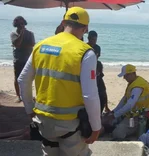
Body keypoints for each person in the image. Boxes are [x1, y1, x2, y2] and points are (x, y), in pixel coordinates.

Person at [18, 7, 101, 156]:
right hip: (70, 124)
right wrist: (96, 127)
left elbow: (23, 79)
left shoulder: (41, 45)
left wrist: (29, 109)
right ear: (86, 28)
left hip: (43, 120)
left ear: (63, 23)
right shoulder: (86, 53)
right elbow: (90, 95)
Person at [109, 64, 149, 140]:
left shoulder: (137, 86)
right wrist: (114, 112)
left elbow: (130, 105)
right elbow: (124, 99)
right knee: (111, 122)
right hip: (131, 114)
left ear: (132, 74)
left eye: (126, 76)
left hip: (139, 116)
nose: (124, 78)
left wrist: (115, 115)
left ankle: (137, 129)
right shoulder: (133, 83)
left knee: (117, 134)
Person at [10, 16, 35, 102]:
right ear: (16, 24)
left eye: (22, 23)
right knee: (17, 78)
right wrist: (22, 34)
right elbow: (17, 44)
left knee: (28, 78)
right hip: (18, 59)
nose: (21, 25)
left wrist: (19, 45)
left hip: (28, 60)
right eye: (19, 24)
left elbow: (32, 44)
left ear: (24, 23)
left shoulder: (30, 33)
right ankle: (18, 96)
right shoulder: (13, 34)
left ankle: (28, 96)